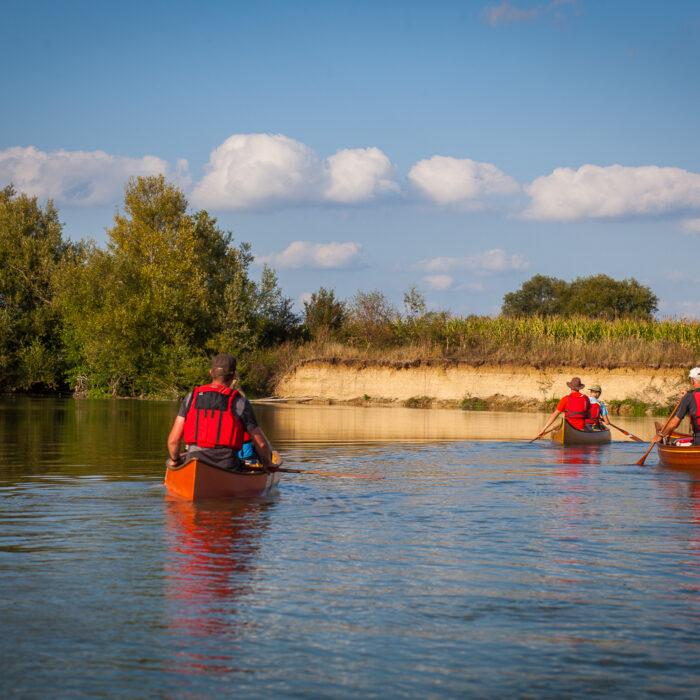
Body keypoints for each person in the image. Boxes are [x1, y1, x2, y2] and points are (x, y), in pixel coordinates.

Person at [166, 354, 276, 472]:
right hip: (227, 465)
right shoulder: (240, 402)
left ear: (211, 373)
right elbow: (262, 445)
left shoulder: (191, 397)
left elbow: (173, 441)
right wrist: (267, 464)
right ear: (233, 376)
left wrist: (176, 460)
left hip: (194, 460)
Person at [655, 367, 700, 446]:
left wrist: (661, 435)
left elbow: (674, 423)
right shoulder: (689, 395)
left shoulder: (689, 397)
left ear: (692, 381)